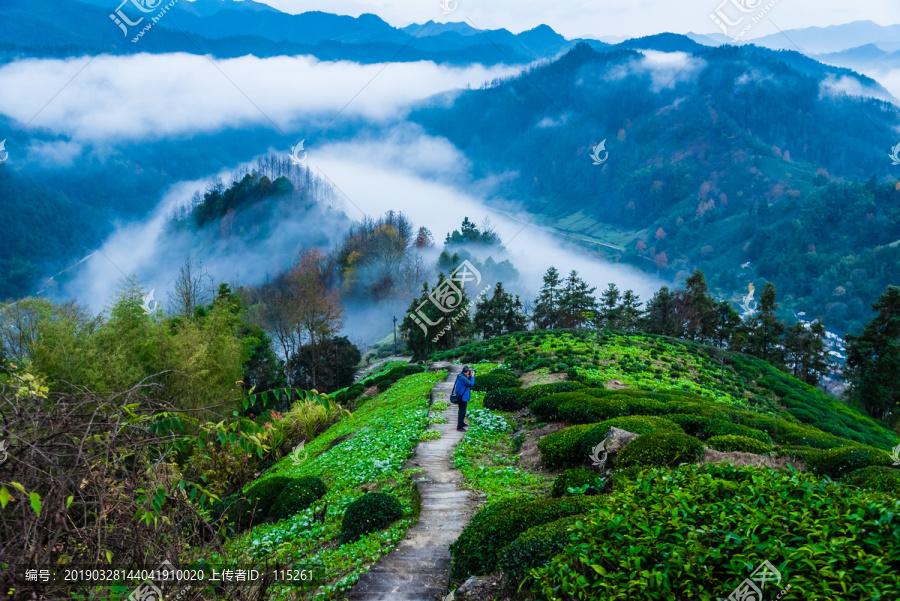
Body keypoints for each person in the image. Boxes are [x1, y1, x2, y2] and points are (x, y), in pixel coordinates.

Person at [453, 365, 475, 432]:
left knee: (462, 411)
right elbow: (471, 384)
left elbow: (466, 382)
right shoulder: (463, 378)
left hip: (460, 396)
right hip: (462, 397)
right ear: (467, 372)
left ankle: (462, 423)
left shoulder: (460, 376)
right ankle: (459, 427)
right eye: (469, 371)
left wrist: (469, 376)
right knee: (462, 412)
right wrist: (472, 376)